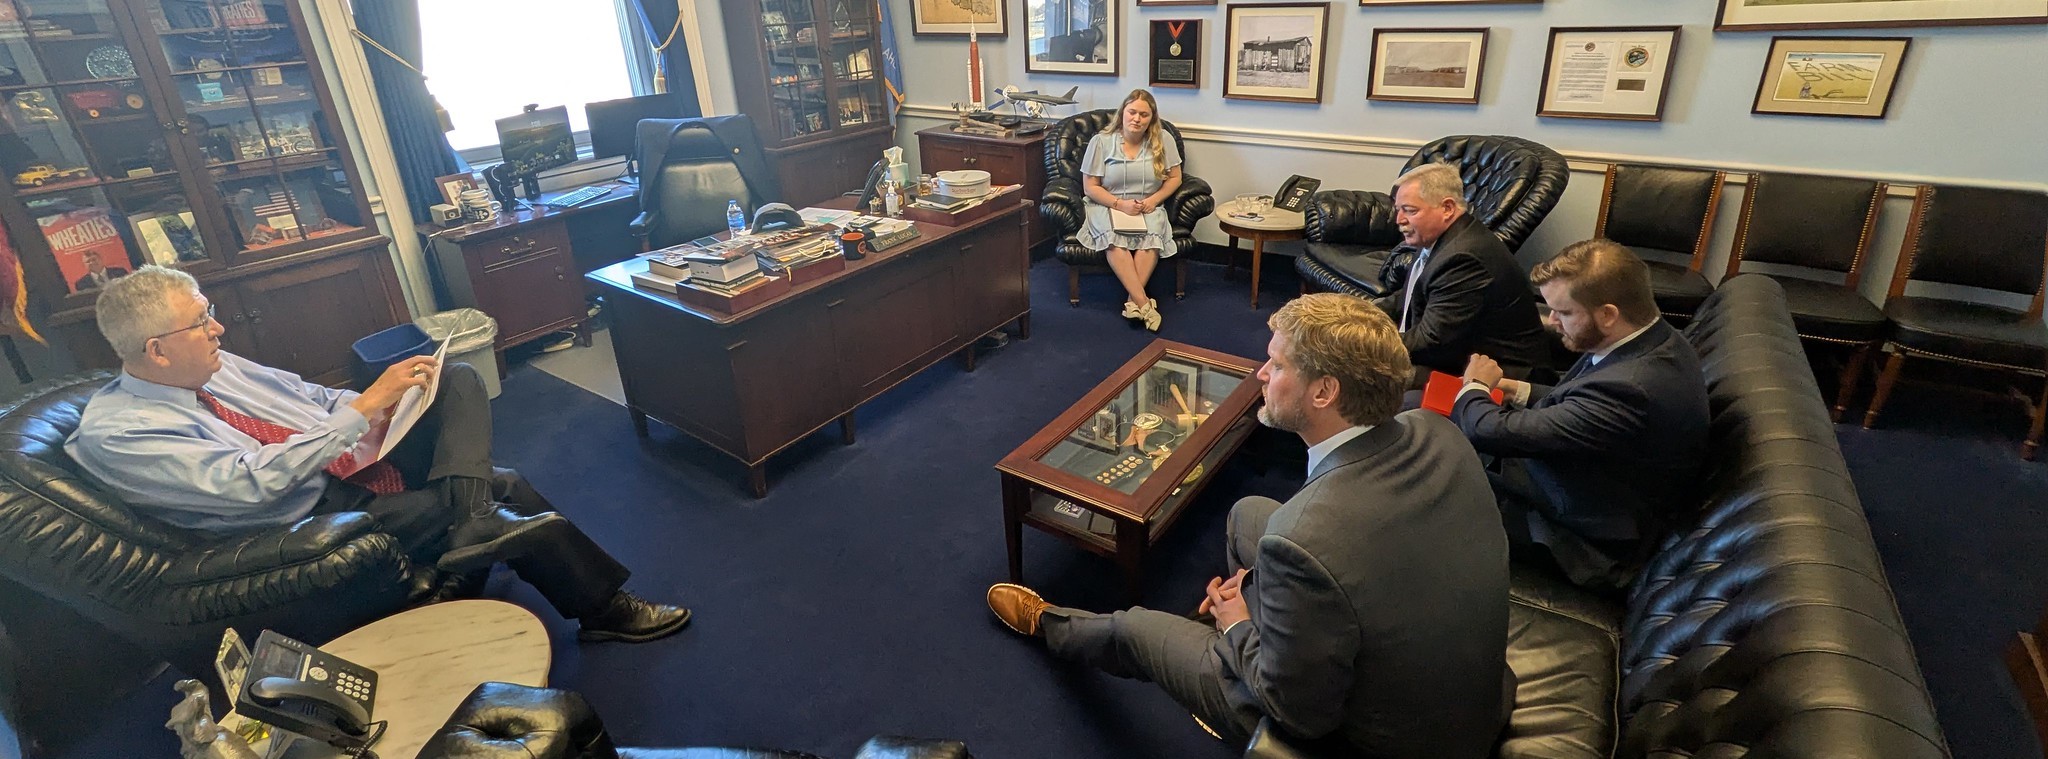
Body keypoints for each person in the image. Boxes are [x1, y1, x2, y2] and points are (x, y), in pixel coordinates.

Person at [987, 294, 1510, 755]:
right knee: (1247, 513)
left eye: (1276, 366)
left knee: (1135, 627)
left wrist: (1237, 623)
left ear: (1324, 392)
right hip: (1446, 673)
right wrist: (1269, 596)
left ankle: (1050, 626)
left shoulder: (1303, 539)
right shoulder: (1434, 429)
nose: (1260, 375)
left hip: (1371, 735)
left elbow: (1302, 714)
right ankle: (1271, 626)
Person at [65, 266, 692, 643]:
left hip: (345, 456)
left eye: (209, 313)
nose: (218, 329)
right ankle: (600, 607)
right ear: (156, 352)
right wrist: (361, 414)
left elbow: (308, 394)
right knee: (509, 486)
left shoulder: (213, 366)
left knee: (453, 379)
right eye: (201, 322)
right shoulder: (121, 432)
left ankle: (471, 515)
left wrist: (379, 401)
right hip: (308, 516)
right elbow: (248, 486)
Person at [1453, 240, 1710, 591]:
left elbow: (1489, 430)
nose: (1552, 321)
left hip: (1578, 539)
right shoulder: (1655, 341)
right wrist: (1516, 389)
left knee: (1420, 484)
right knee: (1418, 423)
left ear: (1608, 314)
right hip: (1579, 486)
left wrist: (1475, 387)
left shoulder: (1631, 389)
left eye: (1564, 312)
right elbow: (1578, 400)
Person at [1374, 163, 1549, 379]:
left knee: (1360, 373)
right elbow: (1414, 294)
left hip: (1499, 377)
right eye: (1398, 210)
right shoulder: (1442, 240)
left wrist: (1363, 341)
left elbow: (1429, 342)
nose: (1399, 219)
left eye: (1410, 211)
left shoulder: (1463, 257)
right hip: (1453, 359)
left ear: (1447, 208)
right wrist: (1359, 312)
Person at [1079, 89, 1183, 332]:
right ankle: (1146, 305)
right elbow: (1090, 186)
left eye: (1144, 114)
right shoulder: (1101, 142)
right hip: (1107, 204)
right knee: (1114, 240)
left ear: (1152, 118)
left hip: (1147, 205)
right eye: (1132, 112)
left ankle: (1131, 302)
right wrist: (1119, 204)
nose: (1137, 118)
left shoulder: (1163, 139)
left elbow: (1175, 178)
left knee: (1152, 237)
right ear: (1122, 113)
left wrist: (1155, 200)